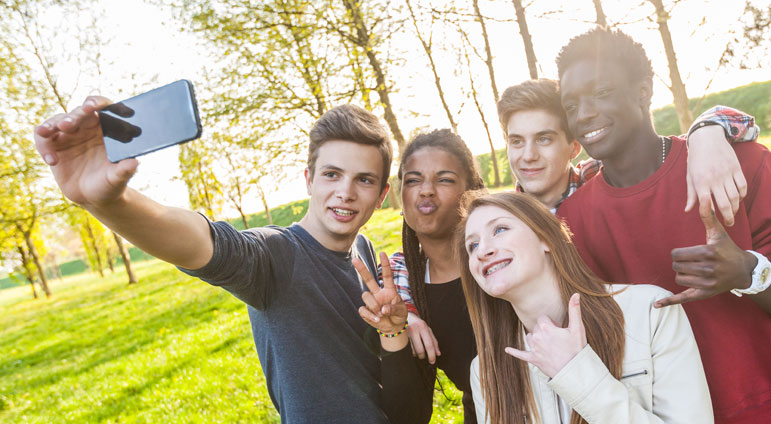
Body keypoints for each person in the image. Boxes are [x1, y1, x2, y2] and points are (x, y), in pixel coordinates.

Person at [33, 98, 427, 423]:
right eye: (331, 174)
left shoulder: (363, 251)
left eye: (363, 179)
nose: (345, 192)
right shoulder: (276, 256)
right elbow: (200, 242)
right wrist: (111, 202)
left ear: (380, 195)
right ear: (309, 179)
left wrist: (405, 320)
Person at [554, 28, 771, 423]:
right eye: (571, 105)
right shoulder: (572, 223)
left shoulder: (741, 164)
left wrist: (746, 271)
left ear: (643, 90)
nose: (583, 113)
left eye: (600, 93)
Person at [459, 191, 713, 424]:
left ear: (546, 238)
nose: (483, 251)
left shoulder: (649, 312)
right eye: (473, 245)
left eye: (500, 229)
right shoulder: (484, 370)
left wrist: (574, 371)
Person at [497, 78, 759, 216]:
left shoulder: (606, 176)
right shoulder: (500, 219)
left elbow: (664, 153)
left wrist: (706, 134)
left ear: (575, 147)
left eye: (544, 139)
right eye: (516, 141)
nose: (528, 156)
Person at [377, 129, 486, 422]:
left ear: (472, 189)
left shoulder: (501, 254)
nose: (426, 190)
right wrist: (397, 329)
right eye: (413, 180)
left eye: (445, 179)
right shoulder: (404, 286)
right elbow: (408, 417)